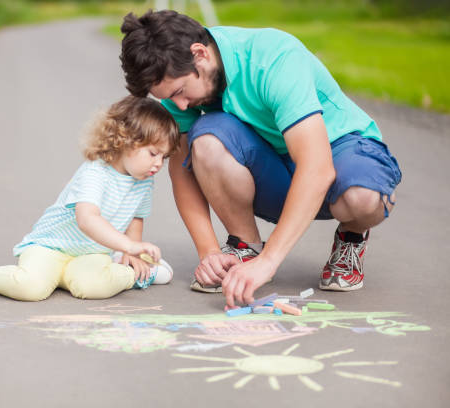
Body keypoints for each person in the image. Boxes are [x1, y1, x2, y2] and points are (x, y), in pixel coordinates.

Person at [119, 10, 402, 308]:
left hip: (338, 151)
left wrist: (270, 263)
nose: (179, 104)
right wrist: (209, 253)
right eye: (169, 97)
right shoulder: (180, 82)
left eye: (179, 92)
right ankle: (244, 246)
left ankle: (351, 237)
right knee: (206, 142)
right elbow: (181, 172)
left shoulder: (273, 60)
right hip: (278, 166)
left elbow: (317, 169)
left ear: (199, 54)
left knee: (363, 198)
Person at [0, 96, 180, 301]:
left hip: (92, 253)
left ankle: (135, 272)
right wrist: (128, 246)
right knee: (31, 288)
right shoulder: (96, 172)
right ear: (126, 140)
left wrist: (133, 254)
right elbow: (87, 219)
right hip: (50, 247)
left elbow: (136, 217)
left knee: (92, 287)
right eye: (153, 153)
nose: (158, 164)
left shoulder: (144, 180)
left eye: (164, 157)